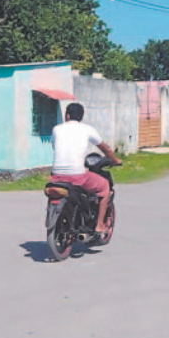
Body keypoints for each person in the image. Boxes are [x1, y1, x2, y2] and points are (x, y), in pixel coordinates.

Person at [50, 102, 122, 238]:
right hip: (77, 175)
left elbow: (54, 146)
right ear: (81, 117)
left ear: (67, 115)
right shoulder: (87, 129)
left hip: (56, 175)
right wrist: (115, 160)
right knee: (104, 187)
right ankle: (100, 225)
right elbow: (105, 148)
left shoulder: (56, 129)